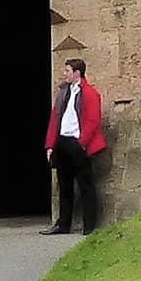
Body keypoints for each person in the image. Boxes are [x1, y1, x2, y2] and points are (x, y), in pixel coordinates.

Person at [44, 56, 108, 235]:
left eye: (67, 71)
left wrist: (81, 143)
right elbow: (55, 118)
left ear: (77, 73)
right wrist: (50, 145)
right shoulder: (63, 92)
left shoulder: (90, 93)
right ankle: (63, 224)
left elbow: (93, 120)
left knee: (86, 185)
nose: (64, 74)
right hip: (62, 142)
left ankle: (89, 226)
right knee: (64, 186)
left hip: (78, 143)